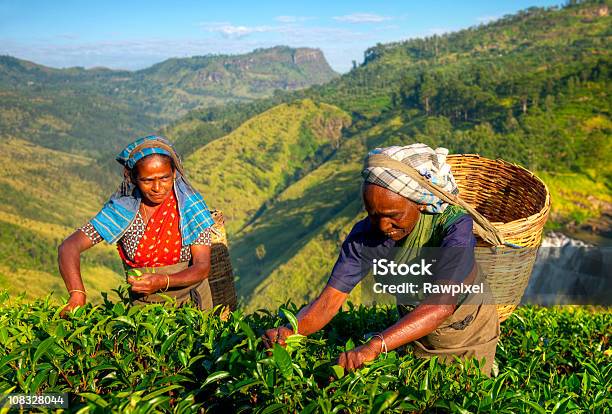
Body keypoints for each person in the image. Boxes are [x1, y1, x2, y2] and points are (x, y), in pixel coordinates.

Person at [264, 143, 500, 376]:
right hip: (414, 329)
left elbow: (441, 305)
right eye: (373, 215)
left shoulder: (453, 227)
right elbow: (329, 302)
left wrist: (375, 345)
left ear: (419, 201)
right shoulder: (366, 236)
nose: (383, 226)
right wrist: (290, 331)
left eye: (392, 216)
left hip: (468, 331)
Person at [58, 135, 216, 315]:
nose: (157, 188)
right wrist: (77, 294)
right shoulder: (122, 211)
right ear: (133, 178)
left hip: (192, 306)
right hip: (143, 312)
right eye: (147, 180)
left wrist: (162, 281)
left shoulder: (190, 208)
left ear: (174, 174)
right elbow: (69, 247)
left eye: (164, 178)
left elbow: (202, 267)